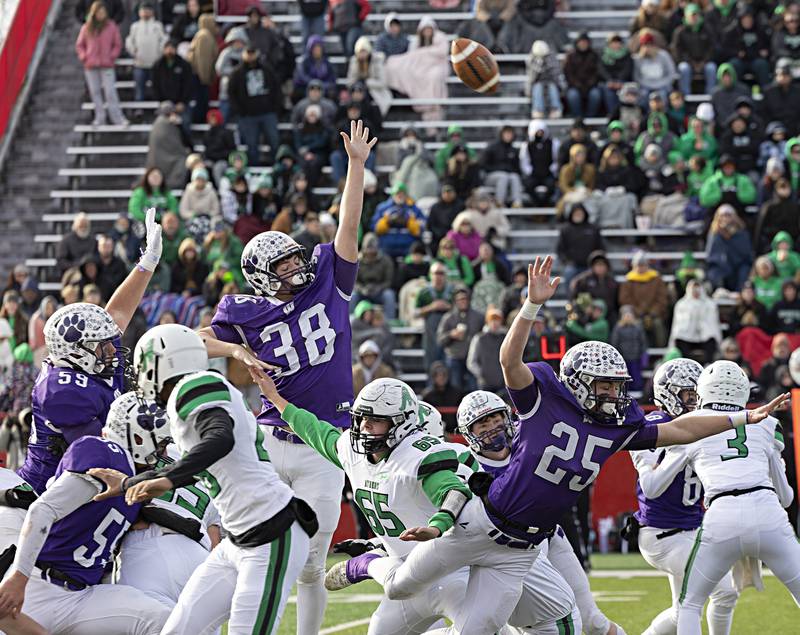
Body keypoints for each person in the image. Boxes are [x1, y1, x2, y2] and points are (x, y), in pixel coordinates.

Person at [357, 256, 787, 634]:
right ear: (579, 383)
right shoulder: (544, 396)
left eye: (617, 387)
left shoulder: (618, 424)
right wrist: (531, 305)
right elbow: (509, 361)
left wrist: (743, 416)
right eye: (605, 385)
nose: (614, 395)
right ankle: (369, 560)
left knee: (481, 629)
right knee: (400, 585)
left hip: (523, 548)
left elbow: (684, 430)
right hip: (479, 523)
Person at [196, 121, 374, 635]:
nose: (298, 267)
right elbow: (193, 338)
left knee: (312, 557)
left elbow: (348, 227)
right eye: (285, 263)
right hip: (271, 440)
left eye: (298, 257)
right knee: (250, 545)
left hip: (325, 443)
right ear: (260, 275)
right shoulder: (245, 311)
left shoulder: (328, 283)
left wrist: (356, 167)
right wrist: (236, 349)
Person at [90, 325, 313, 634]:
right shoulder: (188, 398)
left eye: (144, 366)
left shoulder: (196, 384)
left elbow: (220, 439)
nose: (141, 376)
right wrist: (127, 484)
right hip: (236, 541)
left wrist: (167, 481)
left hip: (269, 532)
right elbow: (198, 462)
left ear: (164, 362)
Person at [0, 209, 162, 567]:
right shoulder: (63, 390)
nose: (111, 350)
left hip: (85, 487)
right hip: (53, 496)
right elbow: (99, 455)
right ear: (75, 351)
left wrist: (146, 263)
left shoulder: (87, 363)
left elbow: (116, 316)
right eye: (101, 345)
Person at [252, 373, 473, 632]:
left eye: (375, 420)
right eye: (362, 418)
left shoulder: (415, 457)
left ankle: (366, 565)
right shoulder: (353, 451)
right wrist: (277, 400)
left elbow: (453, 492)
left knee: (485, 629)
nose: (365, 426)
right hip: (405, 571)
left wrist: (437, 525)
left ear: (401, 423)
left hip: (451, 571)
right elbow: (316, 432)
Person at [0, 403, 172, 633]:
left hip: (81, 595)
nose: (165, 455)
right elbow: (42, 510)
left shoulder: (132, 483)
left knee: (163, 618)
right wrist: (18, 579)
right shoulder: (106, 453)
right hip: (37, 586)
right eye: (160, 445)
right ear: (139, 438)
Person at [454, 390, 615, 635]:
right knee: (523, 625)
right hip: (507, 551)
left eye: (497, 420)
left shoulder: (529, 440)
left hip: (549, 535)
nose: (493, 429)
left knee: (592, 620)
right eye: (483, 425)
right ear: (469, 434)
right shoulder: (469, 468)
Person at [676, 362, 799, 634]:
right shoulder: (768, 423)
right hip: (768, 511)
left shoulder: (688, 423)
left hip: (722, 515)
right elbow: (787, 498)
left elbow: (654, 484)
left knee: (689, 605)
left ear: (703, 391)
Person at [630, 359, 739, 635]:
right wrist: (683, 444)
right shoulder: (652, 427)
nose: (695, 403)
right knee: (724, 590)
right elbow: (652, 487)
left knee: (682, 613)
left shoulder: (701, 425)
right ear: (668, 394)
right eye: (689, 396)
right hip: (661, 534)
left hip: (692, 529)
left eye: (697, 396)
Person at [101, 393, 222, 609]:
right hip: (201, 558)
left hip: (146, 556)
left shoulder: (113, 463)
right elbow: (214, 532)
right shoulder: (185, 456)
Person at [75, 1, 128, 126]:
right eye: (99, 12)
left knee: (110, 92)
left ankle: (117, 118)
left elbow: (117, 44)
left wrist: (112, 56)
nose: (101, 14)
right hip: (91, 65)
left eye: (103, 12)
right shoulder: (86, 27)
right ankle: (100, 118)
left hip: (107, 64)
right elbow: (80, 45)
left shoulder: (112, 26)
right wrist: (84, 57)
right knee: (95, 92)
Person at [228, 46, 282, 167]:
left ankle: (276, 167)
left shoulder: (267, 69)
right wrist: (240, 111)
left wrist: (275, 107)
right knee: (251, 145)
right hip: (248, 116)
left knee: (274, 141)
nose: (250, 56)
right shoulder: (237, 73)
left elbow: (276, 88)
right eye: (248, 53)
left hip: (268, 113)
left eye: (253, 53)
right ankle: (254, 169)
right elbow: (231, 93)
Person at [436, 287, 484, 391]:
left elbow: (484, 337)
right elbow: (439, 340)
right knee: (455, 388)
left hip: (473, 357)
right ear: (455, 301)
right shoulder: (448, 318)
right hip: (454, 357)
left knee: (474, 388)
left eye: (465, 298)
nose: (463, 301)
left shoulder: (479, 317)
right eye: (460, 299)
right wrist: (451, 335)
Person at [618, 251, 669, 347]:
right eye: (638, 265)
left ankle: (661, 349)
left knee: (658, 325)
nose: (641, 268)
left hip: (655, 314)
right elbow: (625, 299)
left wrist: (652, 313)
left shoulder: (656, 279)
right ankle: (639, 349)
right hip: (636, 314)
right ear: (634, 266)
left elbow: (662, 298)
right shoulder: (628, 281)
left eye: (643, 265)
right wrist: (639, 311)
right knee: (637, 325)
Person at [669, 279, 722, 364]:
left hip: (705, 336)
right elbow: (677, 325)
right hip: (686, 336)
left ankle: (708, 364)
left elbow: (713, 325)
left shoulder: (710, 304)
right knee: (679, 341)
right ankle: (685, 364)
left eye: (698, 289)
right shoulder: (681, 304)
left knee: (711, 340)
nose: (695, 292)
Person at [125, 2, 166, 103]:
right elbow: (129, 41)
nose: (145, 13)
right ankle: (139, 109)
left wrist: (159, 53)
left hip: (154, 64)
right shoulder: (135, 26)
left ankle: (158, 107)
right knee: (139, 88)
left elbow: (164, 41)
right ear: (139, 12)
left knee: (156, 87)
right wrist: (134, 51)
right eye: (143, 10)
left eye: (148, 10)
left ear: (152, 12)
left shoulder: (158, 26)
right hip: (140, 63)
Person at [671, 3, 717, 96]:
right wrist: (691, 62)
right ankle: (685, 96)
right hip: (687, 62)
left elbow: (712, 47)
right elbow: (677, 51)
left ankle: (711, 95)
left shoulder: (707, 29)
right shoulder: (680, 32)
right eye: (692, 15)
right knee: (683, 68)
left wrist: (704, 61)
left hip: (705, 62)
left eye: (696, 15)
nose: (694, 18)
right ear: (686, 16)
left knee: (711, 68)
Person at [370, 182, 425, 259]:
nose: (400, 196)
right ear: (393, 194)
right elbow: (374, 227)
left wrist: (409, 222)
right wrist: (387, 222)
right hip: (387, 245)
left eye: (402, 193)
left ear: (406, 194)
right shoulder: (383, 208)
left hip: (408, 245)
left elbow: (421, 228)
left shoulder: (414, 209)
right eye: (397, 193)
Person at [706, 204, 753, 292]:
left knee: (744, 271)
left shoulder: (742, 233)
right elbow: (711, 255)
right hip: (721, 267)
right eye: (723, 216)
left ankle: (740, 292)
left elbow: (747, 254)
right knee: (714, 272)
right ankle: (719, 291)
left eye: (728, 215)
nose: (725, 218)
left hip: (738, 267)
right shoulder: (714, 234)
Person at [146, 101, 191, 190]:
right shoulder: (165, 124)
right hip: (165, 158)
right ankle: (175, 184)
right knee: (182, 159)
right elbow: (178, 145)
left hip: (162, 157)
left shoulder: (157, 123)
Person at [556, 203, 604, 285]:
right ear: (571, 214)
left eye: (580, 213)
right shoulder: (565, 229)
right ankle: (570, 297)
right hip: (573, 266)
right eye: (576, 213)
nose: (578, 215)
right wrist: (567, 262)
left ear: (584, 214)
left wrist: (596, 262)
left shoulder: (593, 228)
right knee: (569, 272)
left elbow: (600, 247)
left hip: (590, 266)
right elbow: (560, 249)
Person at [352, 233, 396, 319]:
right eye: (368, 249)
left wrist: (378, 288)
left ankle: (389, 323)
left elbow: (388, 281)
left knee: (389, 295)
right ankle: (350, 322)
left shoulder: (386, 260)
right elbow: (353, 281)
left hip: (379, 291)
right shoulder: (356, 260)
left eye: (372, 249)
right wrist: (362, 289)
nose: (370, 252)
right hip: (362, 291)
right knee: (353, 296)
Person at [151, 40, 193, 129]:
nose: (169, 51)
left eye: (172, 48)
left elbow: (188, 85)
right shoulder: (158, 65)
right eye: (167, 48)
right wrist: (163, 102)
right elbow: (155, 85)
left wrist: (182, 102)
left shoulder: (184, 65)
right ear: (164, 49)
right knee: (161, 126)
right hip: (164, 103)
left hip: (181, 103)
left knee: (185, 123)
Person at [347, 36, 392, 117]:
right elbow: (351, 81)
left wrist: (366, 83)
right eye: (360, 51)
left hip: (376, 92)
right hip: (359, 90)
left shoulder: (377, 60)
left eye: (364, 51)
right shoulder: (354, 61)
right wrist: (359, 85)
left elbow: (382, 82)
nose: (362, 54)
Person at [481, 126, 524, 208]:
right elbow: (483, 165)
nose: (508, 136)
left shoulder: (514, 150)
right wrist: (501, 169)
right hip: (491, 177)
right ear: (501, 134)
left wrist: (510, 170)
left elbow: (517, 169)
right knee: (503, 176)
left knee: (515, 177)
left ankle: (517, 202)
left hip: (509, 176)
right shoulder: (492, 148)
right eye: (506, 133)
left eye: (510, 134)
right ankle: (499, 202)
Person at [466, 306, 506, 393]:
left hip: (502, 383)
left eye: (497, 320)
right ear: (488, 322)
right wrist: (481, 374)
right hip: (484, 384)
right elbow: (471, 361)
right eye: (492, 320)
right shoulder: (479, 338)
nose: (495, 323)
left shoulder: (505, 337)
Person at [571, 250, 619, 322]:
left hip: (608, 316)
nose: (600, 267)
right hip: (588, 315)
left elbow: (616, 303)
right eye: (597, 264)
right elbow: (575, 299)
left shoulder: (612, 282)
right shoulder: (582, 281)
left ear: (607, 266)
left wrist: (602, 311)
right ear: (592, 266)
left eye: (602, 264)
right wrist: (587, 308)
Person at [520, 119, 559, 205]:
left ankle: (545, 203)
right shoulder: (526, 145)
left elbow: (556, 160)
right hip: (534, 174)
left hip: (548, 174)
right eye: (537, 131)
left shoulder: (553, 144)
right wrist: (530, 171)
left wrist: (552, 170)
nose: (540, 133)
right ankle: (537, 203)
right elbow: (524, 162)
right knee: (528, 186)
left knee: (552, 186)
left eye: (541, 131)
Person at [564, 32, 602, 118]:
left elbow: (597, 73)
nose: (583, 44)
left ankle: (590, 118)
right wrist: (577, 84)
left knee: (595, 95)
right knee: (573, 95)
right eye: (581, 42)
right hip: (575, 86)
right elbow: (568, 74)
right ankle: (578, 118)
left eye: (585, 42)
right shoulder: (570, 56)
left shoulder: (594, 56)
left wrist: (589, 84)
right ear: (577, 43)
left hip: (591, 86)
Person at [633, 32, 677, 104]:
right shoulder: (637, 59)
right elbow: (636, 76)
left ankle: (662, 113)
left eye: (649, 45)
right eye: (645, 45)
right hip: (645, 86)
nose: (647, 47)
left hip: (662, 85)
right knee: (643, 94)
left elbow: (671, 73)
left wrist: (661, 84)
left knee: (662, 94)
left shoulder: (664, 55)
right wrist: (646, 84)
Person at [420, 361, 464, 433]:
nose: (441, 378)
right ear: (433, 377)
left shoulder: (457, 393)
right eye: (438, 375)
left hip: (454, 431)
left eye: (444, 375)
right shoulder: (427, 395)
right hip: (434, 430)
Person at [526, 40, 564, 119]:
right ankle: (538, 110)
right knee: (537, 88)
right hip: (537, 83)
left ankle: (555, 109)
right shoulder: (531, 60)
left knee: (553, 88)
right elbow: (531, 78)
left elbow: (556, 74)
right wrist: (528, 91)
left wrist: (561, 86)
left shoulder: (552, 59)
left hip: (551, 82)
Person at [95, 235, 127, 302]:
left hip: (115, 298)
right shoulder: (93, 263)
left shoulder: (120, 264)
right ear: (98, 247)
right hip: (96, 298)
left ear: (112, 247)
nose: (106, 249)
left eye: (108, 246)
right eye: (104, 246)